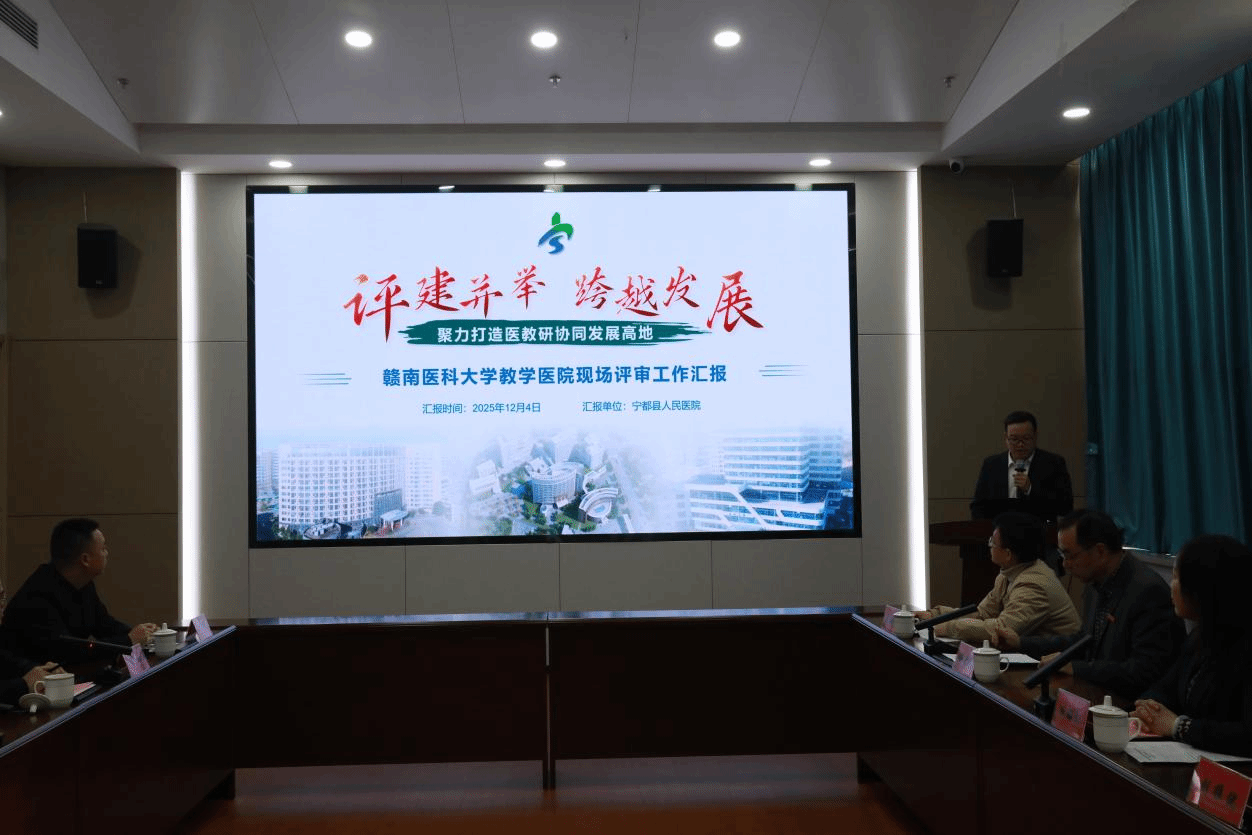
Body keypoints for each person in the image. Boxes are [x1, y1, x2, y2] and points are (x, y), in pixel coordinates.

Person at [993, 509, 1183, 697]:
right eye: (1062, 555)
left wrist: (1076, 668)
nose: (1065, 564)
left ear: (1100, 551)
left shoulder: (1147, 592)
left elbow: (1143, 672)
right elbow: (1082, 642)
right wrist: (1021, 643)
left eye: (1070, 556)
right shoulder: (1099, 581)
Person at [1132, 535, 1252, 756]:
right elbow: (1163, 688)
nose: (1171, 586)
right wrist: (1148, 709)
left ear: (1204, 588)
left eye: (1176, 578)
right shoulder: (1201, 636)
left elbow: (1247, 735)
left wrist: (1179, 727)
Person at [0, 518, 158, 664]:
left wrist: (146, 635)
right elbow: (69, 652)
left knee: (144, 670)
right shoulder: (37, 597)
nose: (107, 553)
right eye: (103, 548)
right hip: (32, 680)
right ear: (85, 560)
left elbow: (105, 625)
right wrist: (129, 640)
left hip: (67, 674)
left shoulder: (83, 584)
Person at [917, 512, 1081, 644]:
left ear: (1008, 554)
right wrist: (935, 615)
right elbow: (983, 613)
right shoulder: (1008, 573)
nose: (989, 545)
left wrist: (947, 628)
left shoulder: (1034, 585)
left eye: (992, 542)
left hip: (1061, 664)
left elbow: (1001, 629)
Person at [971, 411, 1073, 521]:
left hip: (1040, 528)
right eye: (1014, 439)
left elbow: (1065, 507)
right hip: (1001, 528)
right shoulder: (992, 465)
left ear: (1035, 436)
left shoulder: (1053, 463)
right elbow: (978, 506)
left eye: (1026, 438)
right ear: (1006, 438)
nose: (1020, 444)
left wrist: (1030, 489)